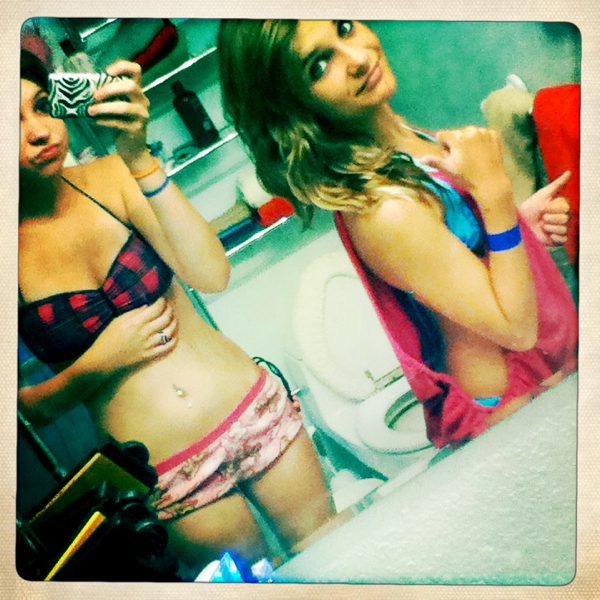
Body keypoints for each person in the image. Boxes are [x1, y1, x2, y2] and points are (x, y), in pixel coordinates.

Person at [18, 47, 335, 574]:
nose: (38, 132)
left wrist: (140, 157)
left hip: (252, 410)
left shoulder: (114, 177)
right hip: (170, 473)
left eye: (41, 107)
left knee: (336, 561)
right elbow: (25, 411)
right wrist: (99, 362)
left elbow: (212, 274)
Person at [217, 20, 578, 447]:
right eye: (318, 65)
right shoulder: (382, 208)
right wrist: (496, 195)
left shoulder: (405, 139)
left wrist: (514, 224)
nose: (357, 57)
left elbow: (446, 248)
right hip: (510, 398)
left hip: (537, 369)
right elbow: (515, 328)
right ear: (291, 104)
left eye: (344, 28)